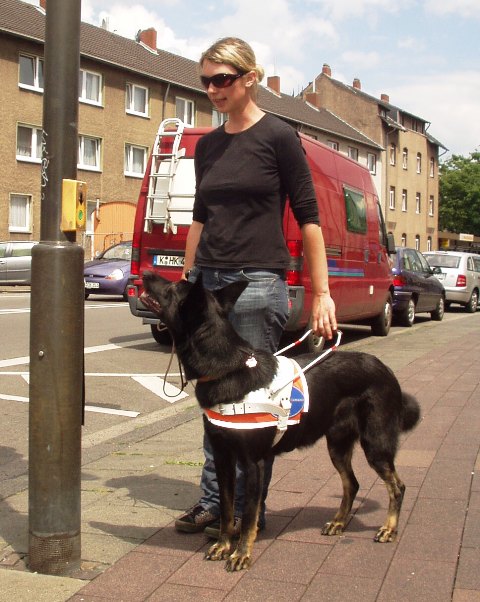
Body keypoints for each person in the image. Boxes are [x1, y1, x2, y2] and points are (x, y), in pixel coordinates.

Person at [174, 36, 337, 536]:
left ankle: (248, 512)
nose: (212, 89)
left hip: (258, 283)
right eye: (205, 81)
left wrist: (322, 292)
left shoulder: (280, 137)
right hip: (209, 282)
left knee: (249, 405)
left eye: (221, 80)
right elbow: (201, 217)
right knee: (213, 398)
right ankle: (213, 502)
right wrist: (187, 279)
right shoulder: (208, 144)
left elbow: (309, 219)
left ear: (249, 79)